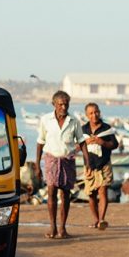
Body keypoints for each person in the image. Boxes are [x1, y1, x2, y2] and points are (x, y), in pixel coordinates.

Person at [34, 91, 89, 239]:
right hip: (51, 160)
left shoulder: (74, 121)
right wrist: (37, 165)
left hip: (67, 161)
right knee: (51, 191)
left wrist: (87, 161)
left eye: (66, 104)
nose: (63, 107)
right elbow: (40, 142)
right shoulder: (46, 120)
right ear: (54, 105)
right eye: (60, 104)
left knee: (65, 194)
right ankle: (52, 227)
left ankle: (62, 229)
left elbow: (81, 142)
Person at [81, 103, 118, 229]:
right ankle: (96, 220)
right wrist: (86, 142)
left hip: (104, 165)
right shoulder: (83, 130)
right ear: (87, 115)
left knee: (103, 191)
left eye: (96, 112)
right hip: (89, 166)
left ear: (99, 112)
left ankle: (102, 219)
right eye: (91, 113)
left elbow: (115, 145)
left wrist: (102, 142)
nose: (94, 115)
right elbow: (76, 146)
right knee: (91, 194)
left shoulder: (106, 128)